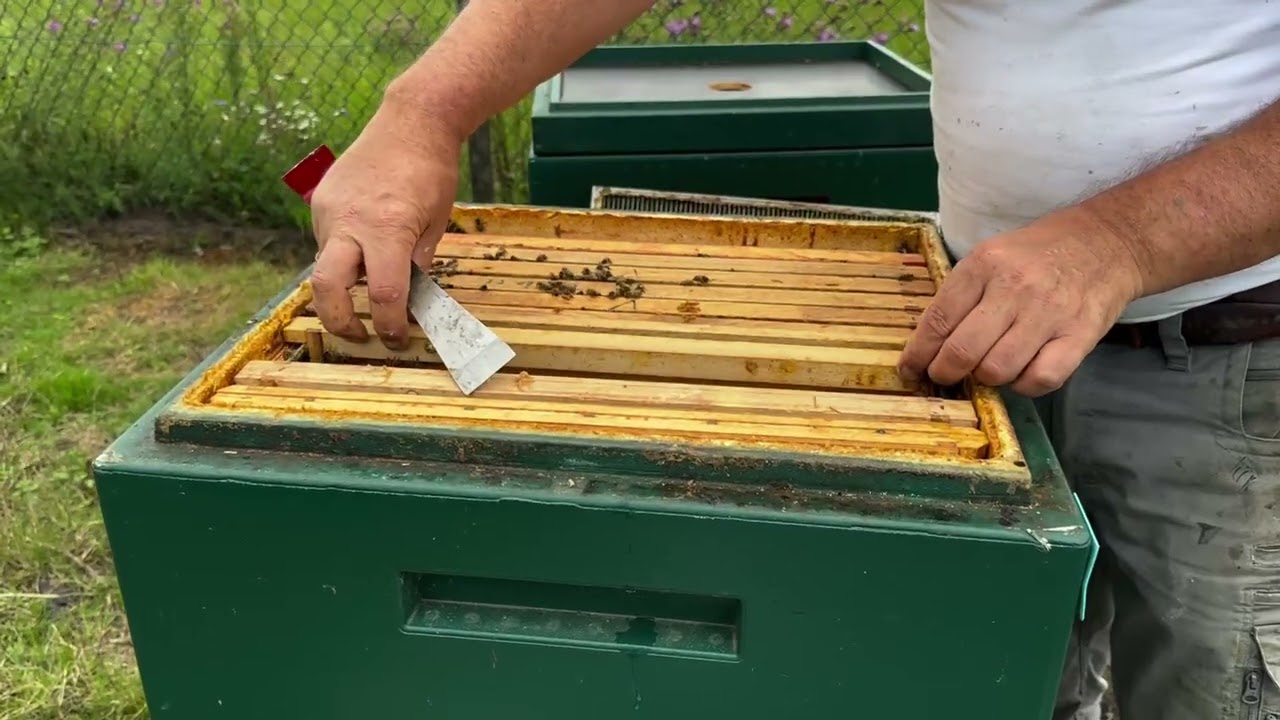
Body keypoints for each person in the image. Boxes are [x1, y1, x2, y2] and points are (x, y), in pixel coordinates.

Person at [304, 2, 1280, 718]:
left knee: (1209, 693)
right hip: (977, 316)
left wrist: (1115, 245)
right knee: (1000, 670)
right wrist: (421, 110)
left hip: (1227, 338)